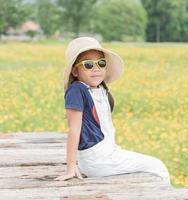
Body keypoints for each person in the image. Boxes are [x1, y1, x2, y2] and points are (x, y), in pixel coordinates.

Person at [54, 37, 171, 185]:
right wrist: (71, 167)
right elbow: (74, 129)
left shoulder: (100, 89)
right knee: (157, 166)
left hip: (106, 153)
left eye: (101, 63)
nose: (96, 68)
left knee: (150, 168)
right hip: (97, 158)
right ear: (75, 71)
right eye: (88, 64)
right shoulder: (77, 90)